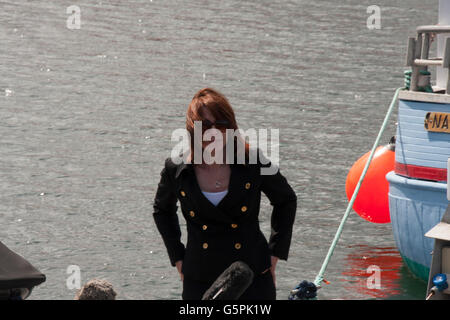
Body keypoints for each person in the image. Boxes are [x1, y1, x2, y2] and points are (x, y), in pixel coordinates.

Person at [153, 88, 297, 300]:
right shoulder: (176, 169)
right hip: (199, 278)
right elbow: (162, 210)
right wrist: (177, 257)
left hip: (252, 276)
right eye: (204, 126)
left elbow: (286, 200)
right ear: (192, 129)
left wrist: (274, 254)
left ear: (230, 128)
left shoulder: (253, 161)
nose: (214, 133)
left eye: (221, 125)